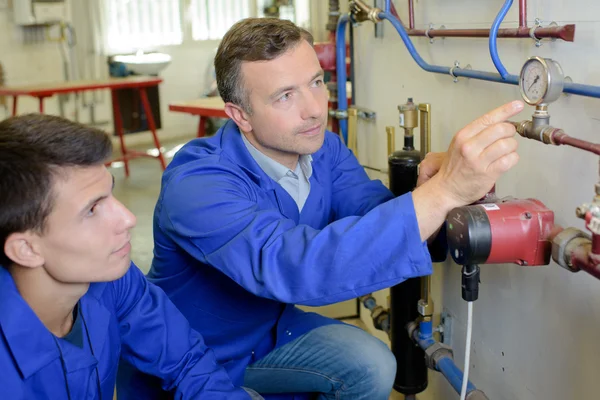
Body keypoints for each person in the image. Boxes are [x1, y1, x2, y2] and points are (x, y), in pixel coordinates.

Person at [119, 18, 524, 400]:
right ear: (240, 115)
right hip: (189, 352)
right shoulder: (197, 183)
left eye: (316, 82)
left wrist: (433, 189)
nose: (314, 108)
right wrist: (444, 192)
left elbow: (374, 215)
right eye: (285, 96)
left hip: (267, 333)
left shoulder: (323, 150)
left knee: (372, 364)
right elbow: (295, 265)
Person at [0, 114, 263, 400]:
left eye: (110, 194)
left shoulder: (113, 278)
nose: (127, 218)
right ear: (26, 249)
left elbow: (187, 362)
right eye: (92, 210)